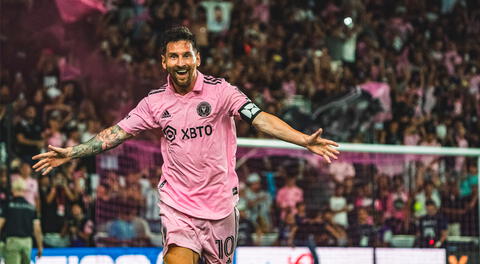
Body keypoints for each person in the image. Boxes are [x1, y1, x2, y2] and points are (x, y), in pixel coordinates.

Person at [32, 26, 339, 264]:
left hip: (221, 206)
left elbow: (259, 118)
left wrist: (303, 140)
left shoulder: (222, 93)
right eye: (174, 56)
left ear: (197, 58)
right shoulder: (155, 103)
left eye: (186, 55)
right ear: (164, 62)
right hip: (178, 205)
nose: (181, 62)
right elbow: (116, 133)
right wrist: (72, 153)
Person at [0, 178, 43, 264]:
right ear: (24, 190)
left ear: (12, 190)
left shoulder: (8, 206)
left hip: (12, 241)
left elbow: (0, 224)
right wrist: (40, 246)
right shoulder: (31, 207)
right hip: (27, 242)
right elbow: (37, 229)